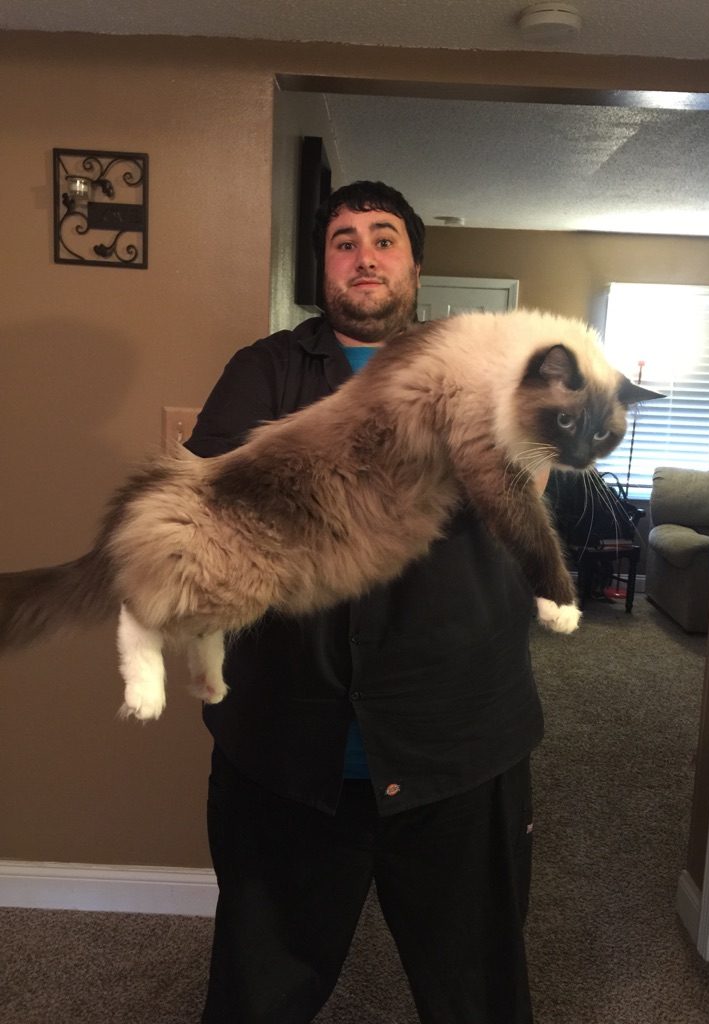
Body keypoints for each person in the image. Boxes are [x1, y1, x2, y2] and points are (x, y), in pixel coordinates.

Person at [188, 181, 543, 1024]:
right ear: (322, 268)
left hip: (459, 745)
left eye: (385, 239)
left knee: (479, 987)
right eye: (343, 241)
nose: (364, 256)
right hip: (286, 747)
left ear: (416, 266)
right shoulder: (266, 369)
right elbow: (218, 507)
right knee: (257, 985)